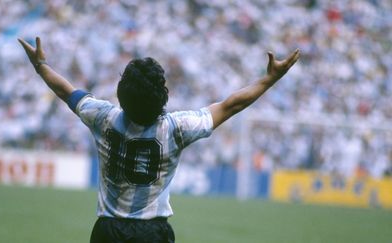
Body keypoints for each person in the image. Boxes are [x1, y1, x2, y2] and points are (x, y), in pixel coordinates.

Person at [19, 37, 299, 243]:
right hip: (153, 233)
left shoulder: (103, 118)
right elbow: (230, 106)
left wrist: (41, 65)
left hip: (108, 231)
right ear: (163, 95)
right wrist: (269, 79)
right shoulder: (177, 128)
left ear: (121, 92)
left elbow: (67, 92)